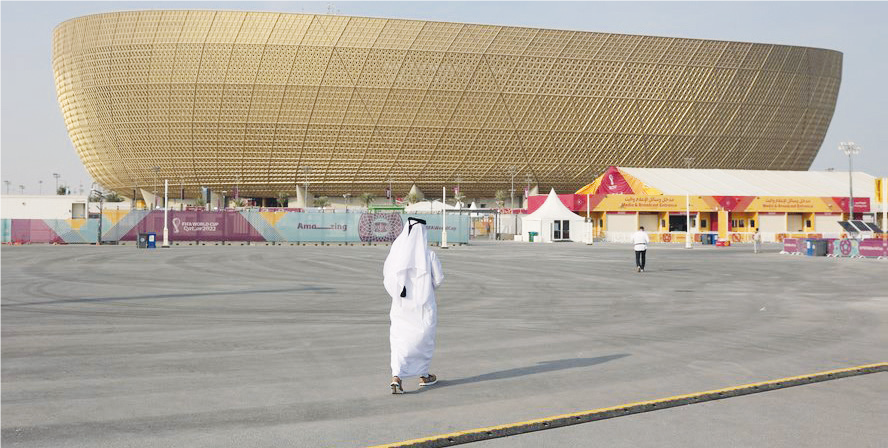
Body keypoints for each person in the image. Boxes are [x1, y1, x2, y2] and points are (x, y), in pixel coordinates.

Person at [383, 217, 444, 394]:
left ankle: (397, 378)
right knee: (423, 340)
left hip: (401, 307)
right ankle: (423, 376)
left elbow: (388, 279)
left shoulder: (396, 255)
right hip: (424, 306)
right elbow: (439, 280)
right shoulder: (429, 255)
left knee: (400, 341)